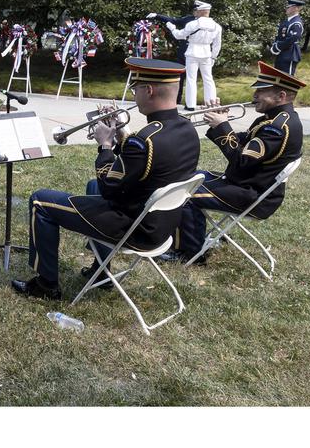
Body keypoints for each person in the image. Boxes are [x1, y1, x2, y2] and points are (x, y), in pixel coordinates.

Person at [11, 58, 199, 299]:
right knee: (91, 186)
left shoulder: (144, 140)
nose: (134, 95)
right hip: (161, 224)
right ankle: (101, 272)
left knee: (41, 201)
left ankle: (46, 285)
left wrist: (105, 146)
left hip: (134, 229)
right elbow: (144, 167)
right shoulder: (186, 128)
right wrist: (122, 133)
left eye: (136, 89)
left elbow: (109, 186)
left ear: (149, 90)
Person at [162, 61, 305, 264]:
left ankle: (191, 253)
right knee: (186, 178)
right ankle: (194, 240)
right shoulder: (274, 119)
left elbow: (241, 162)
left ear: (281, 96)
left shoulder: (277, 127)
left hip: (252, 194)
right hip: (246, 184)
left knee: (184, 193)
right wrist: (222, 123)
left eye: (261, 92)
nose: (254, 95)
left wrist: (223, 127)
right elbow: (244, 142)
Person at [166, 1, 223, 111]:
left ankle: (191, 105)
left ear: (201, 12)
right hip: (207, 53)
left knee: (191, 79)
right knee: (208, 79)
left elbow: (179, 35)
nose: (195, 12)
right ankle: (210, 104)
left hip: (192, 52)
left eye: (197, 10)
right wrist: (213, 57)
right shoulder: (217, 26)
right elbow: (217, 44)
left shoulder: (193, 24)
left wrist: (172, 28)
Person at [147, 6, 196, 103]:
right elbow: (173, 20)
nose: (195, 12)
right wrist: (157, 16)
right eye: (195, 10)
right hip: (183, 52)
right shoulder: (188, 19)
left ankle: (192, 103)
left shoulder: (208, 23)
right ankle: (177, 100)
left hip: (196, 54)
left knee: (193, 79)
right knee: (179, 78)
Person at [270, 0, 305, 75]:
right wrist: (275, 45)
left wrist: (277, 47)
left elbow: (291, 40)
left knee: (286, 78)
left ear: (295, 8)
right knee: (278, 77)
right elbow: (280, 36)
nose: (286, 9)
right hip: (282, 52)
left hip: (290, 53)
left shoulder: (296, 23)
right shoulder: (287, 21)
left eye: (288, 7)